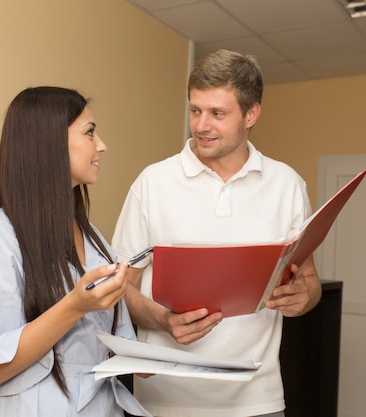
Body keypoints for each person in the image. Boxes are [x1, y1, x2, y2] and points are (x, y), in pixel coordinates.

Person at [0, 86, 152, 417]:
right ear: (49, 143)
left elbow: (110, 345)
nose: (102, 145)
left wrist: (154, 356)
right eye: (90, 133)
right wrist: (75, 305)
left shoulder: (93, 236)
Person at [111, 50, 322, 417]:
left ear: (251, 114)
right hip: (164, 400)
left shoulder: (287, 184)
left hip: (257, 400)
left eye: (217, 114)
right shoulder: (152, 183)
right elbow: (118, 287)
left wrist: (304, 298)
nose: (201, 125)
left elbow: (310, 282)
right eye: (195, 110)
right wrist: (163, 320)